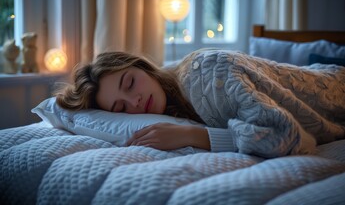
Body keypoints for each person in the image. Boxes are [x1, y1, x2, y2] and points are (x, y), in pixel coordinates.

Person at [55, 49, 345, 158]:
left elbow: (289, 137)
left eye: (130, 83)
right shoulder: (174, 99)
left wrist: (195, 136)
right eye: (120, 109)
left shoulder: (205, 73)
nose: (135, 101)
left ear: (141, 65)